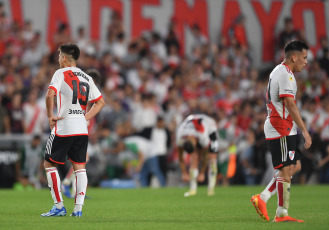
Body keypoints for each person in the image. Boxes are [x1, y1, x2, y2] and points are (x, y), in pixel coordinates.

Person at [250, 40, 312, 222]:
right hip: (281, 126)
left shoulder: (280, 70)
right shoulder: (286, 75)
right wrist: (305, 130)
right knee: (286, 170)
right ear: (294, 57)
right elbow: (290, 103)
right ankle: (281, 213)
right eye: (304, 57)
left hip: (285, 126)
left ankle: (263, 198)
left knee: (295, 166)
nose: (306, 61)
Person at [41, 43, 105, 217]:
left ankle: (59, 206)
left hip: (64, 125)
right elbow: (100, 102)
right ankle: (78, 210)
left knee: (49, 163)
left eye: (58, 55)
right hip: (81, 128)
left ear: (63, 58)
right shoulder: (87, 76)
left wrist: (50, 115)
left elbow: (50, 94)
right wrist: (84, 117)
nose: (58, 58)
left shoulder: (60, 73)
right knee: (80, 167)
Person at [176, 114, 219, 197]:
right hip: (193, 128)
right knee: (194, 157)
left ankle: (211, 189)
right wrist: (184, 172)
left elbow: (205, 156)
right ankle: (193, 189)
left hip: (210, 128)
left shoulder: (203, 137)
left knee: (212, 158)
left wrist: (202, 173)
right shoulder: (180, 137)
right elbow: (180, 157)